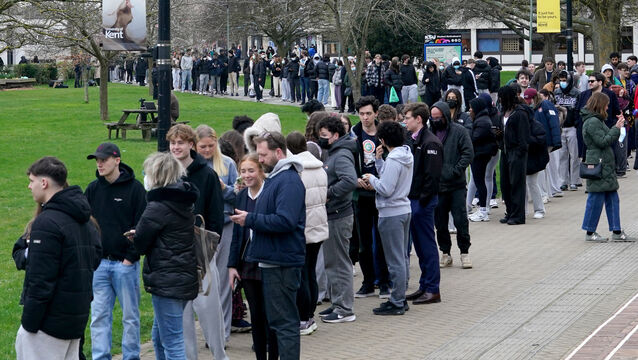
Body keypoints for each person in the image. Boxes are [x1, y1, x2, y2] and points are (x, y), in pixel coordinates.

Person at [16, 157, 101, 360]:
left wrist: (29, 325)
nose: (29, 186)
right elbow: (94, 260)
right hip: (74, 320)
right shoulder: (87, 221)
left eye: (32, 181)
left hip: (48, 325)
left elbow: (40, 280)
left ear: (44, 183)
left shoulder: (47, 223)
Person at [230, 132, 306, 360]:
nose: (260, 159)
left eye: (263, 155)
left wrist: (249, 219)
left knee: (284, 324)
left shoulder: (289, 181)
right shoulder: (278, 179)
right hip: (272, 260)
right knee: (278, 321)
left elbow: (286, 220)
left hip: (281, 262)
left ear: (279, 152)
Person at [167, 124, 228, 360]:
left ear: (191, 145)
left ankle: (219, 354)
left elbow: (215, 214)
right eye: (173, 143)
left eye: (180, 143)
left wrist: (210, 246)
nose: (176, 147)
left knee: (208, 309)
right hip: (174, 250)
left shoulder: (206, 174)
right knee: (181, 314)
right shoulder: (167, 172)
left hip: (201, 248)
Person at [131, 152, 199, 359]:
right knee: (159, 336)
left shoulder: (157, 206)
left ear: (156, 176)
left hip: (166, 280)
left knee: (173, 342)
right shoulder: (184, 201)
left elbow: (141, 243)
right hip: (183, 277)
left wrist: (135, 236)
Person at [85, 143, 146, 360]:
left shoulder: (136, 189)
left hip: (125, 265)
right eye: (97, 160)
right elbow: (85, 225)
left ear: (117, 160)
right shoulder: (93, 189)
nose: (99, 164)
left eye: (104, 159)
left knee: (130, 317)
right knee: (99, 316)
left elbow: (143, 225)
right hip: (99, 265)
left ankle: (131, 357)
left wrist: (130, 258)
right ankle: (101, 357)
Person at [228, 154, 279, 359]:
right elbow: (236, 234)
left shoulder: (270, 193)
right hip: (248, 262)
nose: (247, 175)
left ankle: (274, 353)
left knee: (271, 315)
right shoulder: (241, 197)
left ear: (260, 171)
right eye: (243, 171)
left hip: (268, 259)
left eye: (251, 170)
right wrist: (232, 266)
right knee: (256, 315)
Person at [362, 121, 413, 315]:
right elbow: (391, 178)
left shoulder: (394, 159)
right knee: (402, 256)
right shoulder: (406, 155)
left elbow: (386, 188)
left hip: (391, 212)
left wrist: (370, 178)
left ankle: (398, 300)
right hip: (404, 209)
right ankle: (401, 296)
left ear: (383, 140)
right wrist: (379, 161)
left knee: (395, 260)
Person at [195, 125, 241, 340]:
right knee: (203, 281)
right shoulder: (193, 167)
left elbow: (238, 196)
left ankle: (222, 333)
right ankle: (208, 331)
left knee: (223, 279)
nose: (206, 150)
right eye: (202, 146)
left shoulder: (228, 164)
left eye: (210, 146)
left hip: (225, 225)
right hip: (200, 229)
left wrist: (223, 188)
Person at [315, 116, 359, 323]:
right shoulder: (334, 152)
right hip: (333, 215)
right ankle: (337, 303)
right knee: (333, 262)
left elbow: (350, 180)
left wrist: (328, 193)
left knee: (339, 262)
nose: (320, 139)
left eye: (324, 136)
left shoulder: (341, 154)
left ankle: (344, 309)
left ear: (335, 135)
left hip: (339, 216)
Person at [401, 103, 444, 305]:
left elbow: (432, 177)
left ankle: (432, 289)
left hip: (422, 202)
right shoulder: (414, 140)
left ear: (419, 119)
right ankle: (424, 285)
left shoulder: (430, 143)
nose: (405, 121)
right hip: (414, 199)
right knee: (419, 246)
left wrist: (421, 202)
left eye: (407, 117)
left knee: (427, 245)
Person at [286, 132, 328, 333]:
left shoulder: (296, 170)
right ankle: (309, 314)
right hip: (318, 226)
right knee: (310, 272)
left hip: (303, 228)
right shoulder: (320, 168)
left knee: (302, 273)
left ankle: (303, 316)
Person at [352, 96, 390, 298]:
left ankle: (384, 282)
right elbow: (347, 162)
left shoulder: (385, 134)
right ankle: (368, 282)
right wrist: (356, 179)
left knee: (382, 240)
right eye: (361, 114)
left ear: (376, 113)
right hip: (362, 194)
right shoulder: (354, 135)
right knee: (364, 242)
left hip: (381, 193)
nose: (365, 117)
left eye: (368, 113)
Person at [429, 101, 474, 268]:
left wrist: (455, 170)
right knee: (440, 222)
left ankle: (464, 252)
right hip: (438, 186)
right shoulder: (430, 133)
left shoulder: (459, 131)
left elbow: (468, 153)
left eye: (438, 117)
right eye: (432, 118)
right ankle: (445, 252)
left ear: (446, 116)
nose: (435, 121)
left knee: (460, 219)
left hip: (456, 185)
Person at [580, 92, 629, 242]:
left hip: (604, 163)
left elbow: (606, 138)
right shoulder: (593, 122)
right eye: (606, 105)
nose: (608, 107)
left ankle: (617, 230)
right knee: (595, 198)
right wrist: (616, 128)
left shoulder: (596, 120)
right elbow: (602, 141)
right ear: (600, 105)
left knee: (612, 198)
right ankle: (590, 232)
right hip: (599, 163)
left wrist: (617, 127)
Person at [498, 85, 531, 225]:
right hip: (505, 151)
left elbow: (524, 136)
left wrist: (519, 152)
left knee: (516, 183)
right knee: (505, 184)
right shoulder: (504, 112)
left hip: (516, 152)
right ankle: (510, 211)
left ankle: (518, 215)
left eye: (501, 97)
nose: (499, 100)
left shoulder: (520, 113)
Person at [467, 97, 498, 222]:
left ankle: (483, 210)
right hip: (480, 154)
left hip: (480, 154)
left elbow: (474, 138)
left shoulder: (483, 122)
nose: (469, 110)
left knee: (480, 181)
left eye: (471, 108)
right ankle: (482, 209)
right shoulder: (481, 120)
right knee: (479, 180)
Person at [522, 88, 549, 219]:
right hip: (524, 157)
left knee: (532, 182)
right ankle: (524, 209)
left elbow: (540, 140)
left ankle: (539, 209)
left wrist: (527, 141)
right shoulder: (522, 124)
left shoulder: (536, 124)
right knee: (523, 184)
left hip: (534, 157)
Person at [554, 70, 582, 191]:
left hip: (572, 127)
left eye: (565, 80)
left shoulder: (576, 93)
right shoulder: (556, 92)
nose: (563, 82)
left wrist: (576, 123)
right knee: (562, 156)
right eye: (561, 80)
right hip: (561, 127)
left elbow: (578, 109)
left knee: (574, 155)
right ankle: (563, 181)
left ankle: (574, 181)